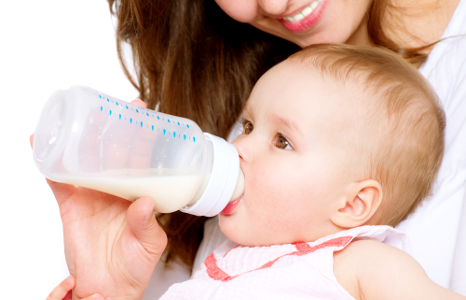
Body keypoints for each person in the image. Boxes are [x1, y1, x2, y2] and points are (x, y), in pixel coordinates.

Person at [44, 0, 466, 299]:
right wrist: (107, 291)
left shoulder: (359, 265)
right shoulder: (224, 261)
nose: (239, 145)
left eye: (282, 141)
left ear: (355, 203)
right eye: (247, 126)